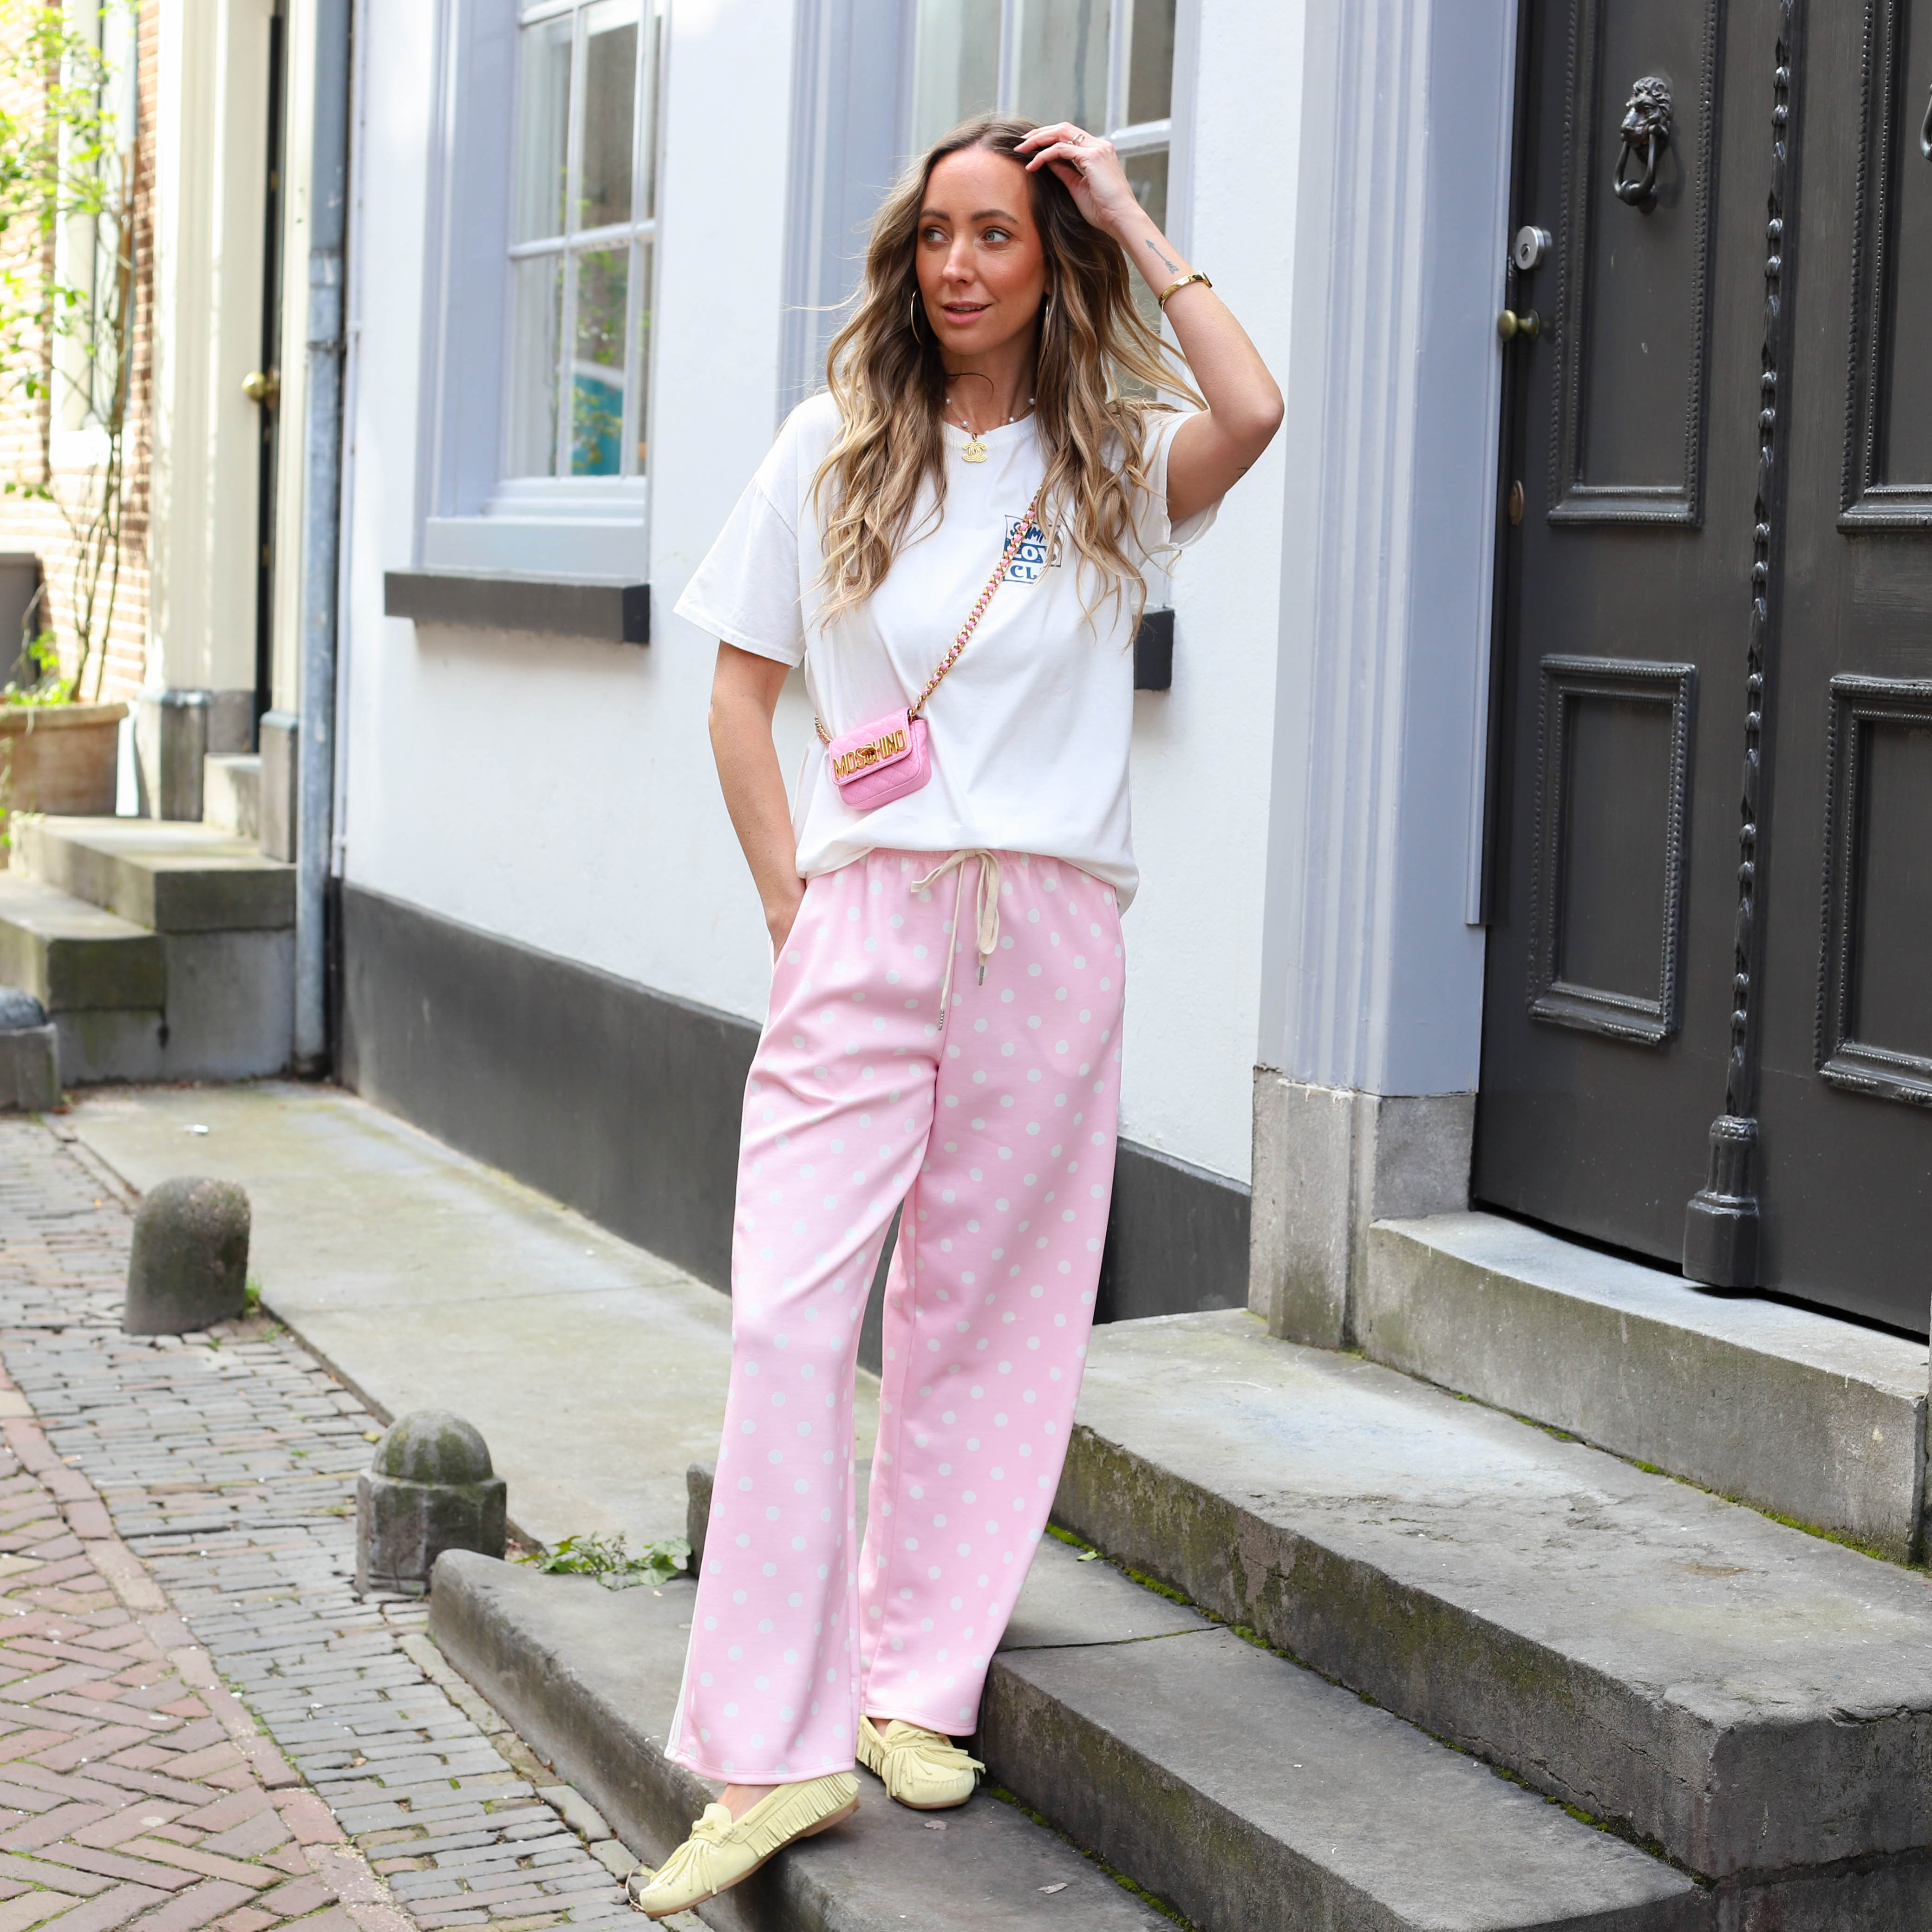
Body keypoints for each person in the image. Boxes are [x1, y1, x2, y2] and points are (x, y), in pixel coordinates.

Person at [627, 111, 1281, 1920]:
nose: (959, 265)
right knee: (786, 1314)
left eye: (996, 232)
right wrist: (793, 901)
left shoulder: (1107, 461)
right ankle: (769, 1747)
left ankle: (913, 1682)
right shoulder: (833, 441)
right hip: (867, 912)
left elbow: (1251, 410)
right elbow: (739, 694)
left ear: (1048, 258)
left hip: (1047, 926)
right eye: (936, 234)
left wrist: (1133, 217)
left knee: (985, 1316)